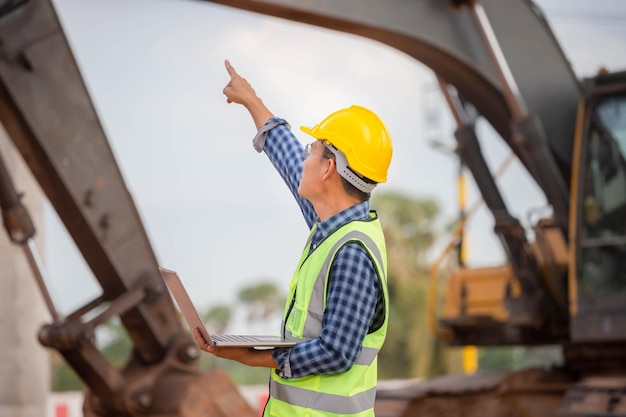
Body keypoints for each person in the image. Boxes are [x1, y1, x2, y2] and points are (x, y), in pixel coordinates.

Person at [194, 59, 393, 417]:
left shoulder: (351, 253)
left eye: (312, 152)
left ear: (329, 169)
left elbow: (337, 352)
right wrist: (252, 101)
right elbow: (287, 157)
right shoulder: (330, 226)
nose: (303, 160)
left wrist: (252, 357)